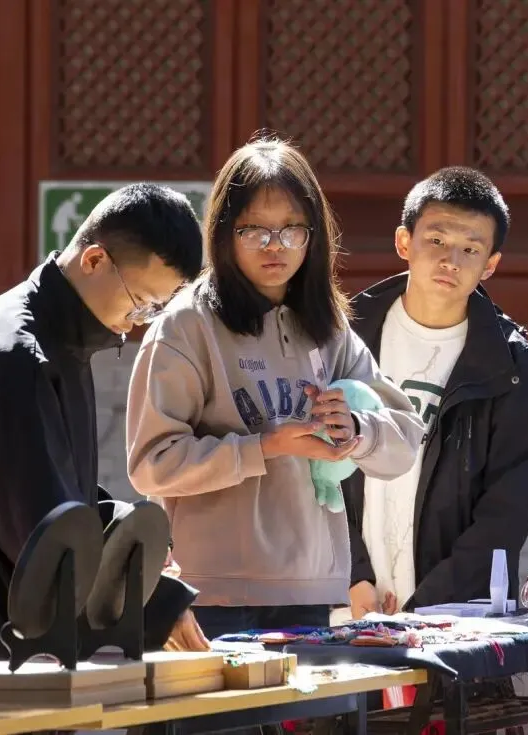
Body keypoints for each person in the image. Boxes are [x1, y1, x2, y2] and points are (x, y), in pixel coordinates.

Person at [125, 137, 425, 640]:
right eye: (255, 230)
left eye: (291, 229)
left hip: (311, 589)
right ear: (224, 233)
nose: (275, 246)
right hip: (213, 593)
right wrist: (265, 447)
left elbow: (405, 440)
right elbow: (151, 465)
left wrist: (356, 429)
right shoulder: (185, 327)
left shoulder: (329, 327)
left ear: (313, 236)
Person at [0, 183, 211, 669]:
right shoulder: (17, 359)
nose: (138, 322)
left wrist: (139, 546)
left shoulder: (60, 340)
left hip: (23, 648)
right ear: (94, 260)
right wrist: (156, 603)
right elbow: (45, 540)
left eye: (154, 309)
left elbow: (64, 492)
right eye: (139, 302)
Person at [341, 166, 528, 619]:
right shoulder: (345, 337)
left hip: (453, 617)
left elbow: (506, 511)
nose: (450, 260)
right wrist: (351, 575)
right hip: (345, 603)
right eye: (436, 240)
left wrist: (424, 609)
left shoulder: (509, 364)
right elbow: (313, 475)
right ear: (404, 242)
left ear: (490, 264)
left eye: (470, 249)